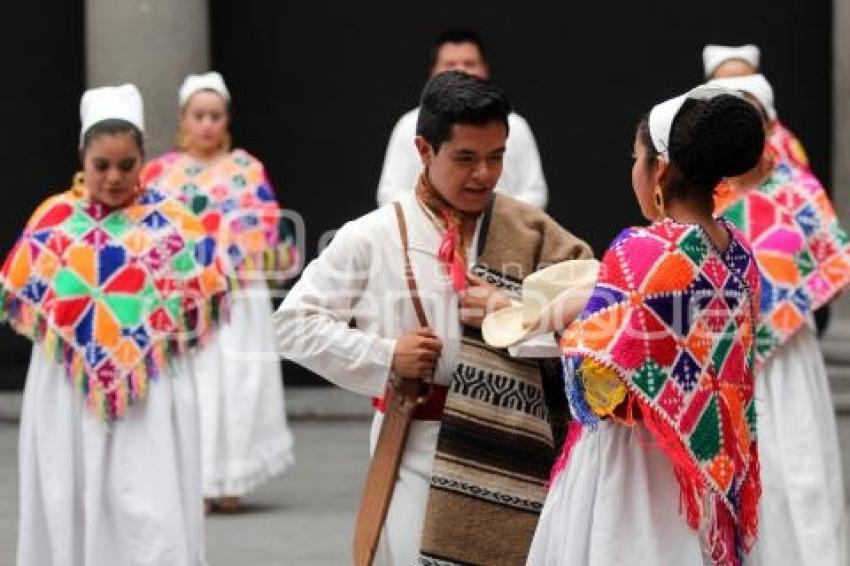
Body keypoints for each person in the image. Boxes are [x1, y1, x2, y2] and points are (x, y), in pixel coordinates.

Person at [274, 71, 592, 564]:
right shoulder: (373, 235)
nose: (484, 174)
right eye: (465, 158)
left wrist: (520, 313)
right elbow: (293, 324)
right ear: (424, 150)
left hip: (518, 452)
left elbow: (597, 319)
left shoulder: (530, 231)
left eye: (496, 156)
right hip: (415, 447)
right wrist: (387, 355)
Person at [528, 86, 766, 565]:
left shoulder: (643, 252)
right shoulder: (740, 255)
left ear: (658, 168)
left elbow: (597, 382)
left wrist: (562, 331)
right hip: (704, 462)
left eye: (635, 158)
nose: (632, 170)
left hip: (637, 466)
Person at [2, 84, 227, 565]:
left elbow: (208, 290)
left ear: (143, 157)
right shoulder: (53, 222)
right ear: (82, 158)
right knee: (71, 493)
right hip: (66, 390)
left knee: (152, 504)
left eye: (126, 165)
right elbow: (23, 291)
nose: (113, 177)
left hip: (154, 390)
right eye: (101, 165)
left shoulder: (173, 223)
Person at [711, 73, 850, 566]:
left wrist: (787, 306)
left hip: (791, 357)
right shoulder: (707, 198)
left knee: (801, 464)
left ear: (769, 125)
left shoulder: (799, 191)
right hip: (728, 359)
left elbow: (832, 260)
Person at [142, 72, 296, 513]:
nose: (207, 124)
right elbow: (152, 233)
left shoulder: (246, 170)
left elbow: (270, 229)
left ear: (226, 119)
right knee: (197, 385)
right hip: (187, 297)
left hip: (240, 297)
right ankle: (196, 479)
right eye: (199, 115)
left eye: (215, 115)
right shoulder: (163, 173)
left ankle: (232, 479)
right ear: (183, 119)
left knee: (238, 382)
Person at [377, 28, 548, 209]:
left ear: (485, 69)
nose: (460, 71)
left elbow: (535, 192)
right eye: (450, 64)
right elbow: (390, 193)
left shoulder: (516, 126)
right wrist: (435, 219)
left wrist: (492, 219)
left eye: (470, 63)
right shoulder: (408, 126)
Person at [702, 44, 810, 171]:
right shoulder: (700, 139)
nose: (738, 92)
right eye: (726, 83)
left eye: (746, 81)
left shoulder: (786, 144)